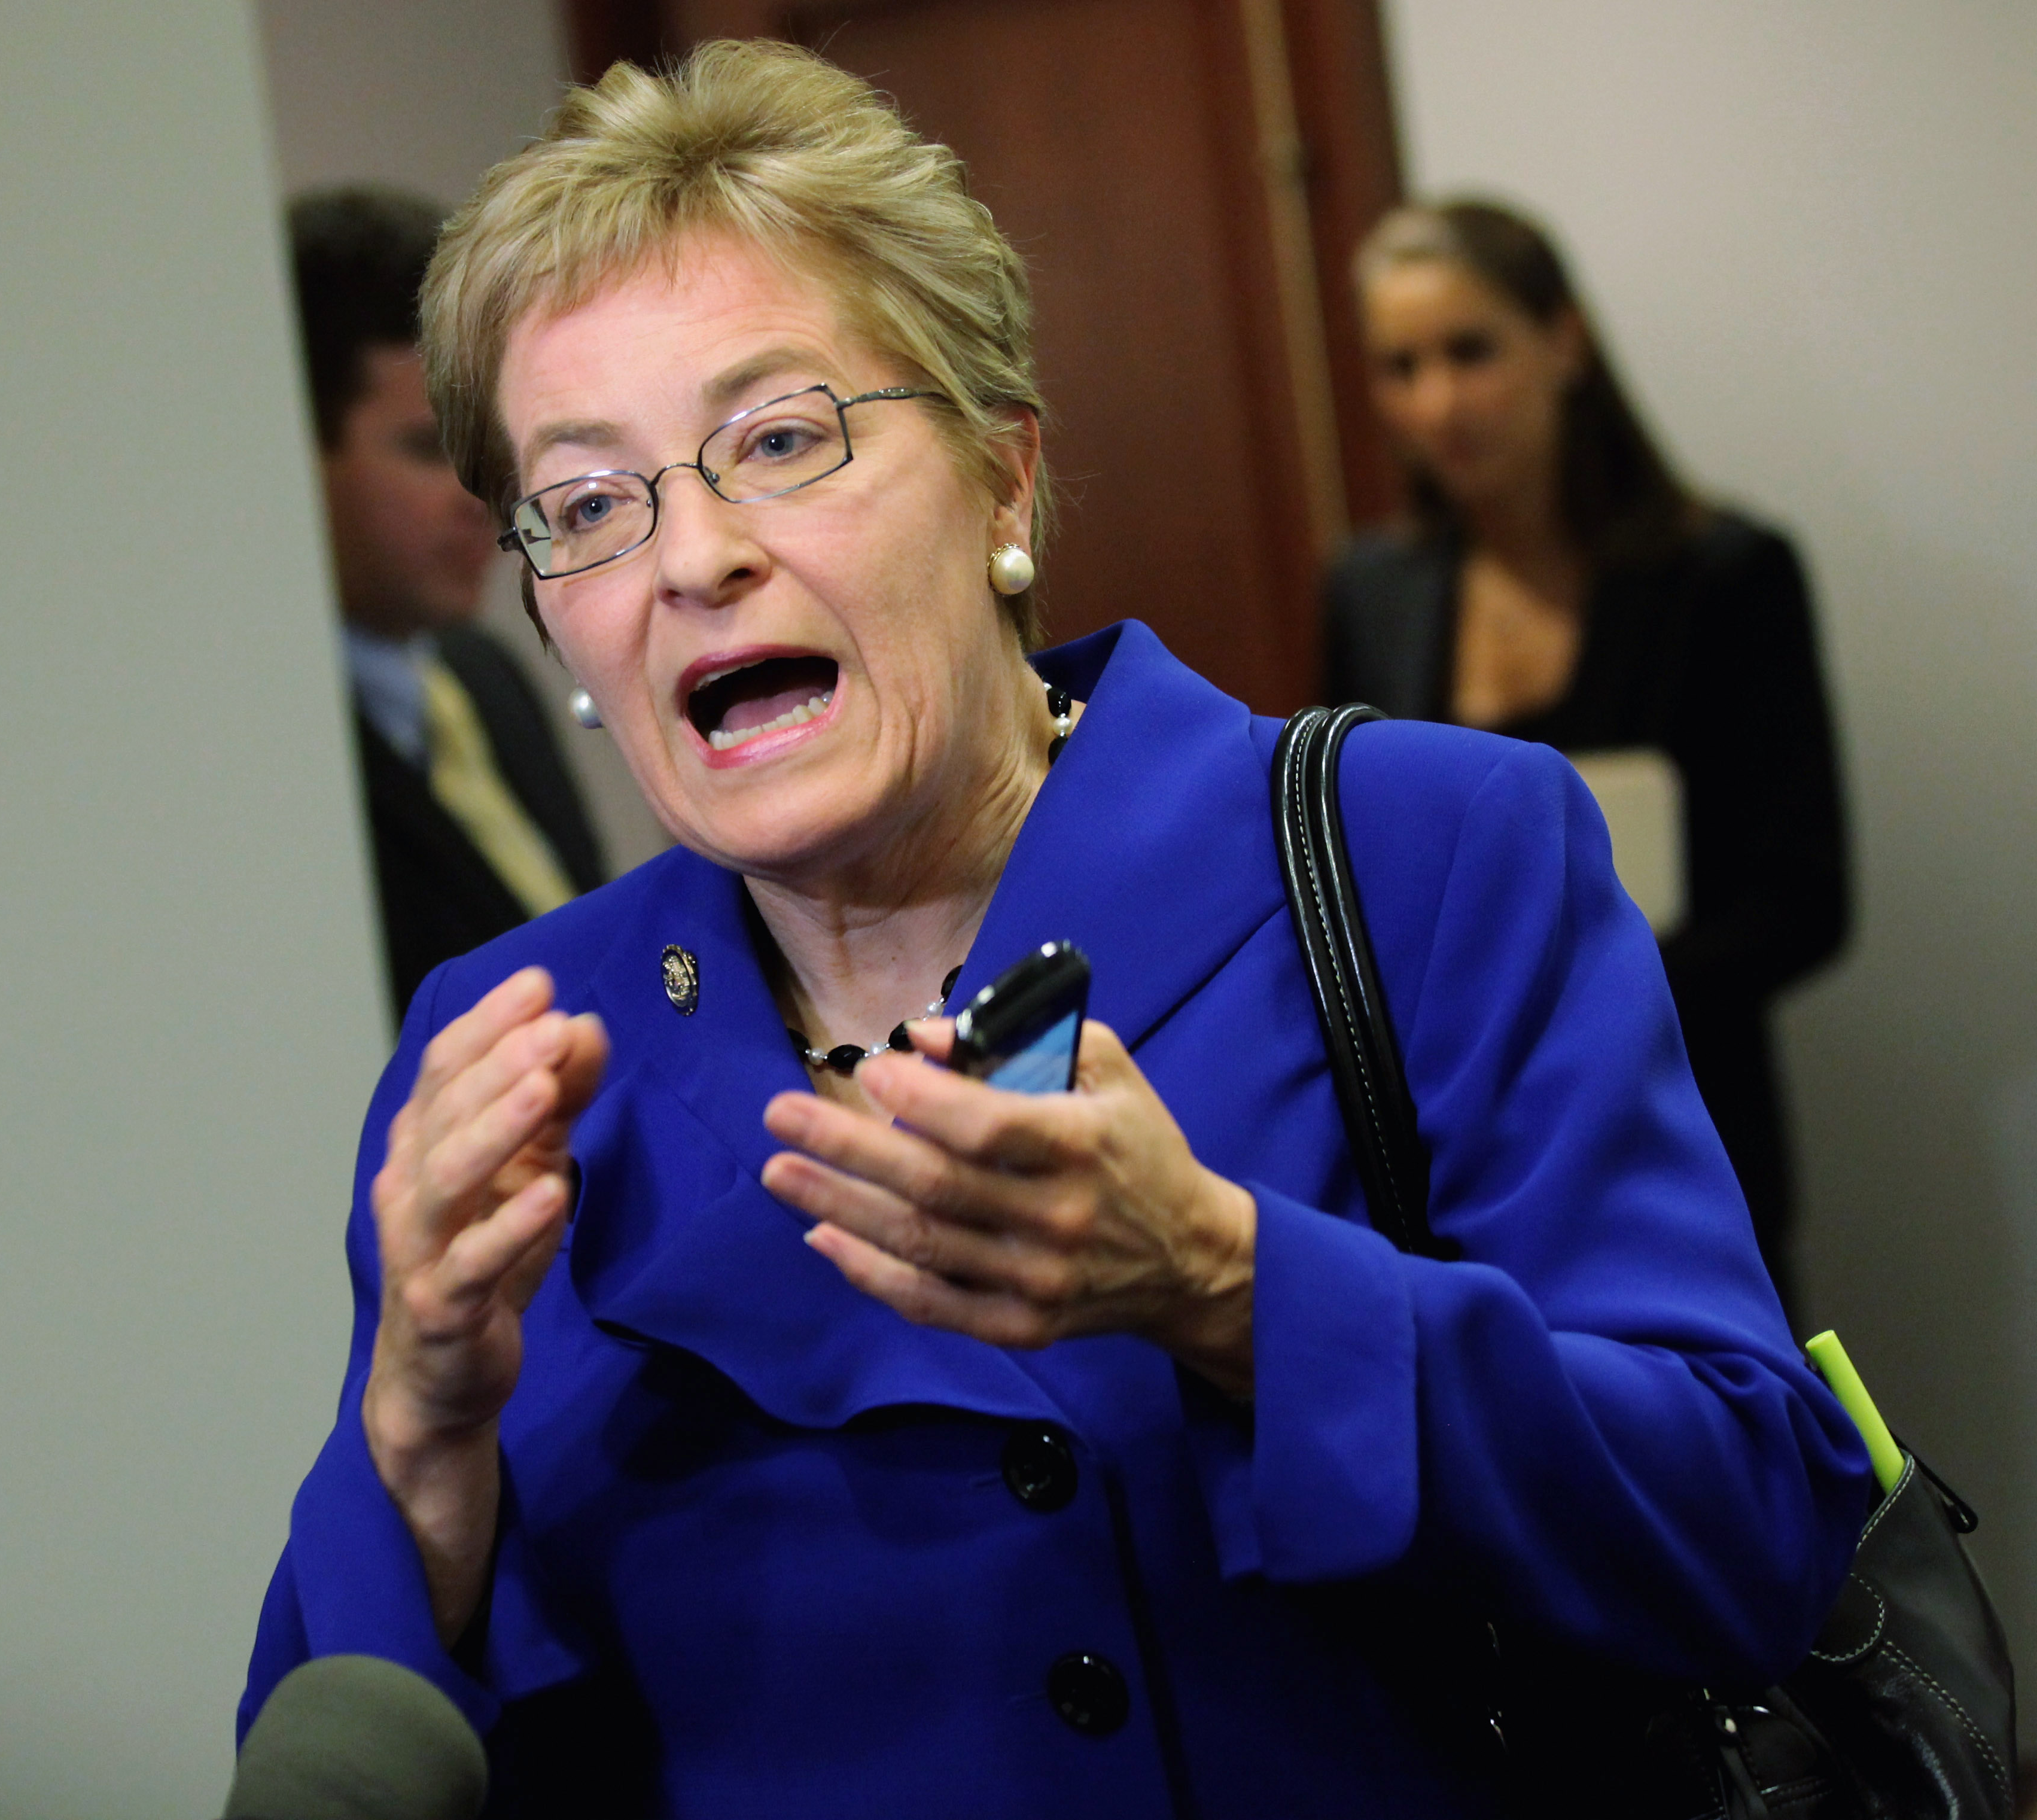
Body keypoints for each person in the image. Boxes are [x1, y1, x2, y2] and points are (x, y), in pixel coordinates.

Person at [243, 46, 1868, 1814]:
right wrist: (413, 1431)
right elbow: (351, 1759)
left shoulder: (1428, 853)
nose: (688, 556)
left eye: (778, 440)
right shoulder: (512, 1042)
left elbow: (1746, 1529)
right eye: (586, 502)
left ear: (1004, 483)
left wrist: (1231, 1289)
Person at [1326, 199, 1850, 1311]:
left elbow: (1805, 900)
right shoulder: (1373, 593)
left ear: (1562, 342)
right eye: (1399, 367)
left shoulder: (1725, 576)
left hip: (1683, 1134)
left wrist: (1569, 996)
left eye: (1469, 352)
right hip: (1454, 1164)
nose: (1438, 403)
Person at [290, 187, 608, 1022]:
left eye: (490, 451)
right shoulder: (271, 760)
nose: (480, 497)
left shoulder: (487, 676)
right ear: (300, 456)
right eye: (429, 448)